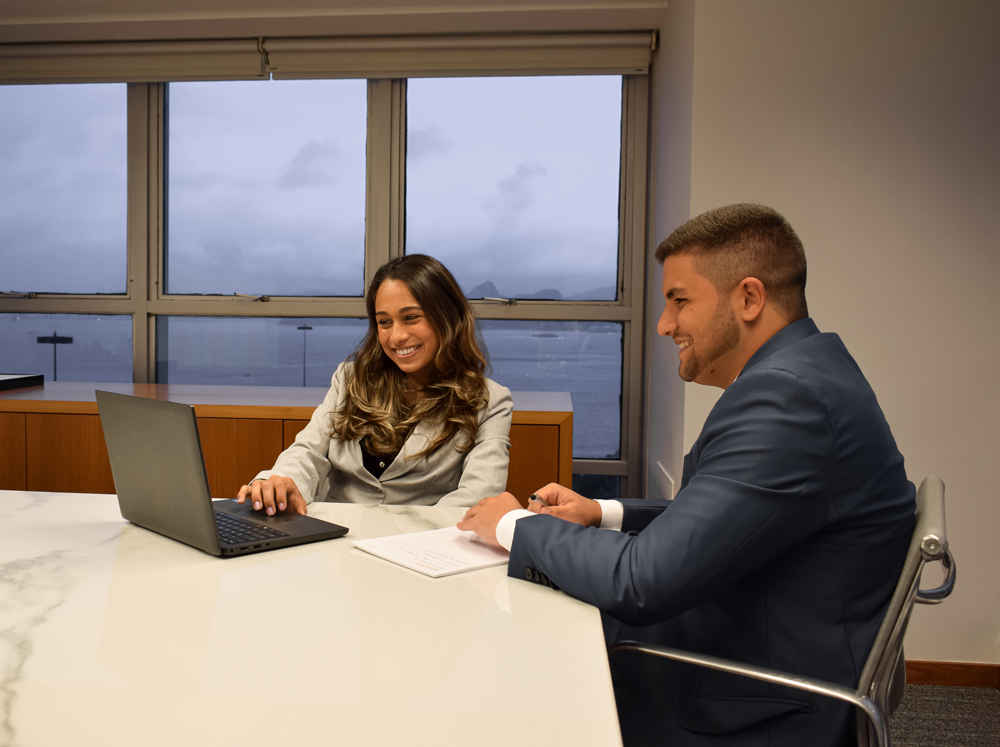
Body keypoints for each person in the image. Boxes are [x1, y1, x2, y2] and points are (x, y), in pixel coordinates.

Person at [458, 204, 916, 746]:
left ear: (749, 298)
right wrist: (603, 512)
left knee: (505, 671)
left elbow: (643, 583)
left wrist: (512, 525)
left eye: (679, 300)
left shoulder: (788, 401)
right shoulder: (808, 372)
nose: (663, 324)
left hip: (756, 701)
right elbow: (733, 516)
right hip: (762, 644)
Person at [239, 254, 513, 514]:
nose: (396, 336)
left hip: (421, 548)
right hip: (335, 542)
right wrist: (281, 482)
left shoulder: (490, 401)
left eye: (411, 317)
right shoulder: (349, 378)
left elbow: (478, 497)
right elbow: (309, 451)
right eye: (384, 322)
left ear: (447, 316)